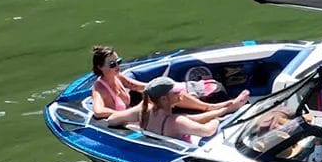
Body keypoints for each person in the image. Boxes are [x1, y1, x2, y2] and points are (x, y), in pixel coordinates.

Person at [89, 46, 235, 119]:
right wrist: (123, 114)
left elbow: (138, 86)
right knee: (175, 117)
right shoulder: (99, 87)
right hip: (126, 119)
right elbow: (99, 111)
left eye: (118, 61)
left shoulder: (118, 76)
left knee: (170, 94)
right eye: (112, 64)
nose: (118, 66)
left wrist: (165, 87)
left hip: (135, 113)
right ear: (100, 67)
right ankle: (216, 112)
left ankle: (210, 108)